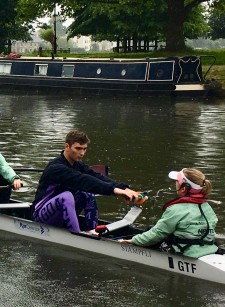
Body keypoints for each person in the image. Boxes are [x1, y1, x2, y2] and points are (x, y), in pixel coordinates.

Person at [32, 130, 140, 233]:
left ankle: (93, 232)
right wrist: (114, 191)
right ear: (67, 146)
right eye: (78, 148)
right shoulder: (56, 168)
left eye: (84, 149)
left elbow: (97, 177)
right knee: (67, 196)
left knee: (88, 194)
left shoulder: (79, 165)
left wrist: (124, 189)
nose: (82, 153)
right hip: (41, 216)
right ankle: (78, 237)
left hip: (61, 214)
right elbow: (84, 180)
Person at [120, 168, 219, 258]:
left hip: (185, 253)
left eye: (177, 181)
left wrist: (134, 240)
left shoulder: (175, 209)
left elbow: (157, 233)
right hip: (210, 249)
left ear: (183, 188)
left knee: (154, 232)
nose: (175, 183)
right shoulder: (207, 206)